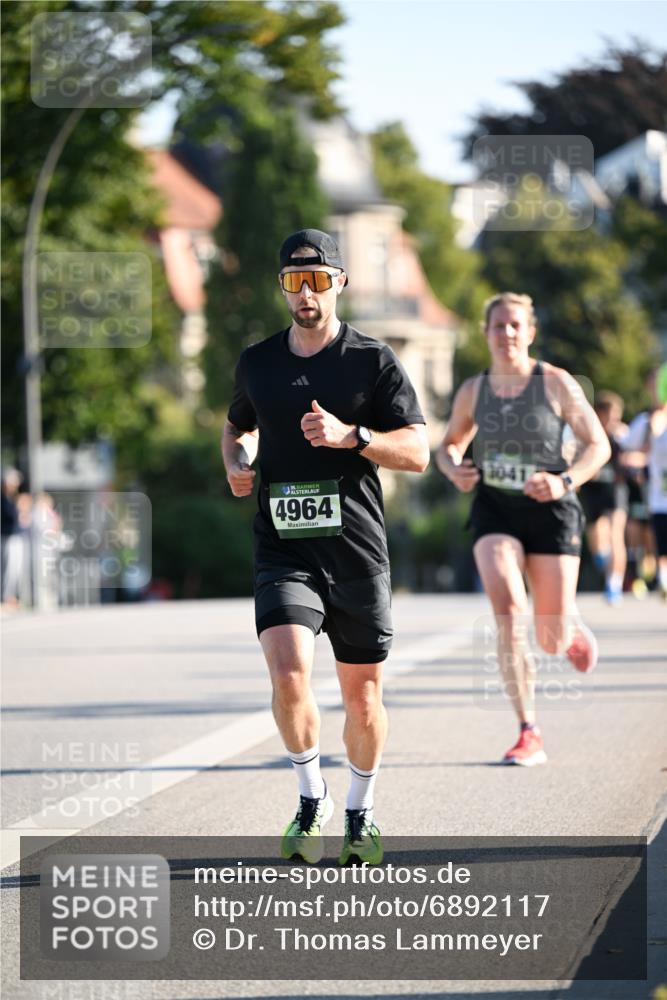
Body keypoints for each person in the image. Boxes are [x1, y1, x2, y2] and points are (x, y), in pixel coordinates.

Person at [222, 228, 429, 863]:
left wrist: (352, 436)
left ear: (339, 282)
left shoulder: (371, 361)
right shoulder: (259, 362)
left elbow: (418, 452)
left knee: (363, 695)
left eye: (317, 280)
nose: (305, 293)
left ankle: (360, 813)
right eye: (293, 281)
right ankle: (311, 798)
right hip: (284, 546)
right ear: (283, 287)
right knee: (288, 673)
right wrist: (235, 461)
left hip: (357, 549)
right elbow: (237, 425)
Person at [436, 292, 611, 767]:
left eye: (516, 325)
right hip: (495, 510)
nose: (507, 334)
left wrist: (564, 481)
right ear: (485, 332)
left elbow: (598, 445)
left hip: (552, 511)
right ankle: (528, 729)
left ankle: (567, 630)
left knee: (550, 636)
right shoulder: (474, 390)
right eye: (498, 326)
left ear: (530, 332)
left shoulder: (555, 384)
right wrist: (455, 470)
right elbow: (448, 444)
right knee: (510, 612)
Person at [578, 392, 629, 604]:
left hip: (615, 490)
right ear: (599, 414)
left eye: (617, 415)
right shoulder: (588, 435)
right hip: (592, 491)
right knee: (597, 539)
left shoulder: (623, 435)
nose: (614, 419)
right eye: (610, 414)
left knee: (616, 533)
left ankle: (614, 583)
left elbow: (636, 453)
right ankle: (606, 563)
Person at [621, 363, 667, 600]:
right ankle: (655, 578)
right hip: (656, 495)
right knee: (650, 540)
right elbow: (629, 453)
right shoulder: (646, 422)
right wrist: (636, 461)